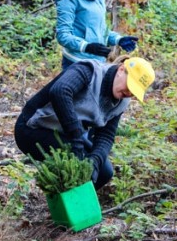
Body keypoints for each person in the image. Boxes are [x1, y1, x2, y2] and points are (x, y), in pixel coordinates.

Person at [14, 56, 155, 189]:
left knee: (103, 172)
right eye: (130, 85)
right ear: (121, 70)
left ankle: (75, 210)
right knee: (76, 163)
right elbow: (60, 91)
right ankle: (61, 204)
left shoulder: (121, 102)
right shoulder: (89, 71)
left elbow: (106, 135)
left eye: (134, 91)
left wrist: (96, 159)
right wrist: (77, 139)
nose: (129, 93)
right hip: (33, 128)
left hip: (65, 135)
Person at [55, 0, 139, 71]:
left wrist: (118, 39)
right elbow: (63, 35)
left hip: (98, 63)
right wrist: (86, 47)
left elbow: (100, 30)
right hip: (75, 64)